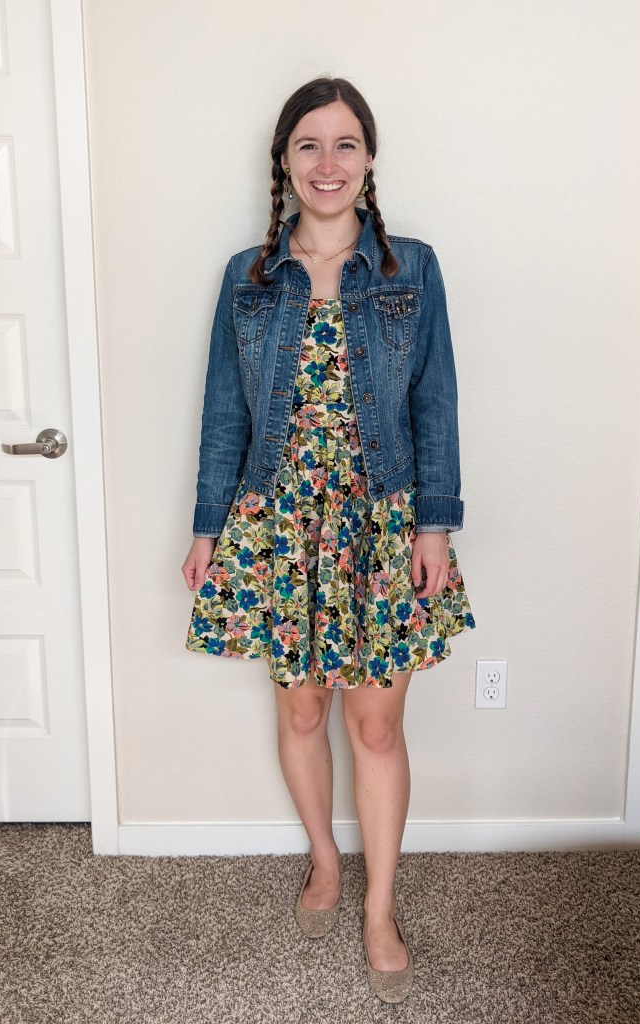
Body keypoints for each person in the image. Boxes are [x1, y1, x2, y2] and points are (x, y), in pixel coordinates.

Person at [181, 76, 475, 1004]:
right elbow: (225, 411)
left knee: (375, 724)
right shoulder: (248, 276)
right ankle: (325, 861)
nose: (327, 164)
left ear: (370, 159)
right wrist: (205, 527)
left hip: (383, 521)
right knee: (303, 713)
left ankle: (380, 908)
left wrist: (436, 525)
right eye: (309, 145)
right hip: (276, 522)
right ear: (284, 161)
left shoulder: (410, 268)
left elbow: (436, 401)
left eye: (345, 144)